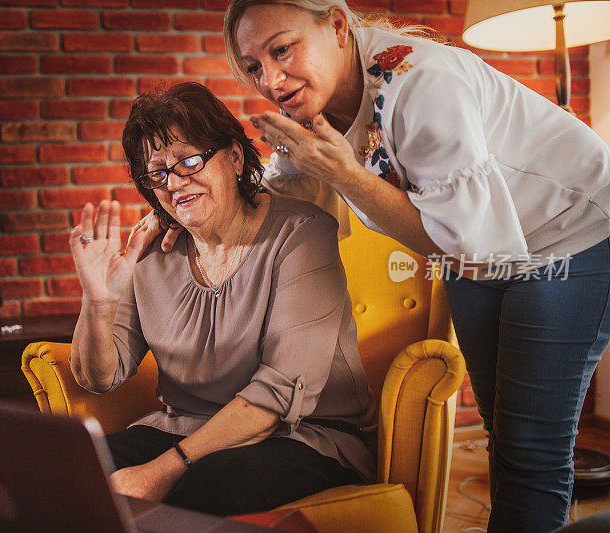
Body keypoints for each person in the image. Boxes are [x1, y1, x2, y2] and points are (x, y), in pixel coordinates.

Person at [203, 1, 609, 531]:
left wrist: (348, 177)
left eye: (283, 49)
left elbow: (475, 253)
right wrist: (184, 212)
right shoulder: (319, 106)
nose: (271, 79)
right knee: (504, 435)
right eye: (253, 66)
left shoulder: (423, 85)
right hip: (483, 248)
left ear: (338, 25)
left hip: (573, 236)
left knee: (532, 446)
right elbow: (279, 190)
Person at [68, 82, 376, 517]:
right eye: (157, 173)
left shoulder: (301, 235)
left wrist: (159, 472)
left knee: (209, 487)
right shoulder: (151, 253)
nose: (175, 183)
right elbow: (101, 377)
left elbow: (276, 397)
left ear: (233, 156)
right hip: (184, 429)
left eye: (190, 160)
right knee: (74, 471)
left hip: (305, 436)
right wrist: (97, 303)